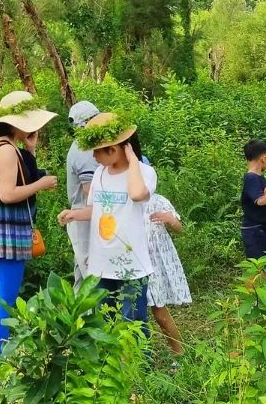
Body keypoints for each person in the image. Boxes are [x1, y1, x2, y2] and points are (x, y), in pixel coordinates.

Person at [0, 91, 58, 358]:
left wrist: (30, 150)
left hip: (1, 227)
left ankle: (1, 357)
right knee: (5, 297)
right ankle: (0, 361)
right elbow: (7, 194)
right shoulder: (7, 151)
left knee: (3, 292)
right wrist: (41, 185)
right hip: (7, 229)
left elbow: (18, 177)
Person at [57, 113, 156, 327]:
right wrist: (74, 214)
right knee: (105, 321)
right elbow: (96, 209)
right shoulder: (100, 174)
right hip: (103, 262)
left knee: (133, 323)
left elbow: (138, 194)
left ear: (115, 149)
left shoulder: (144, 173)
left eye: (98, 151)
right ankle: (109, 361)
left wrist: (132, 161)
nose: (94, 157)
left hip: (132, 265)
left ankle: (137, 362)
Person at [142, 190, 191, 355]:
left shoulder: (158, 200)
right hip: (133, 262)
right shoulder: (124, 200)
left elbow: (179, 227)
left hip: (155, 264)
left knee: (159, 312)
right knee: (133, 313)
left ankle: (178, 352)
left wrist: (170, 219)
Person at [64, 101, 100, 285]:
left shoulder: (82, 146)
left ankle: (80, 314)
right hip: (86, 216)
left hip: (84, 216)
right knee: (92, 277)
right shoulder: (84, 150)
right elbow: (90, 192)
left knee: (82, 273)